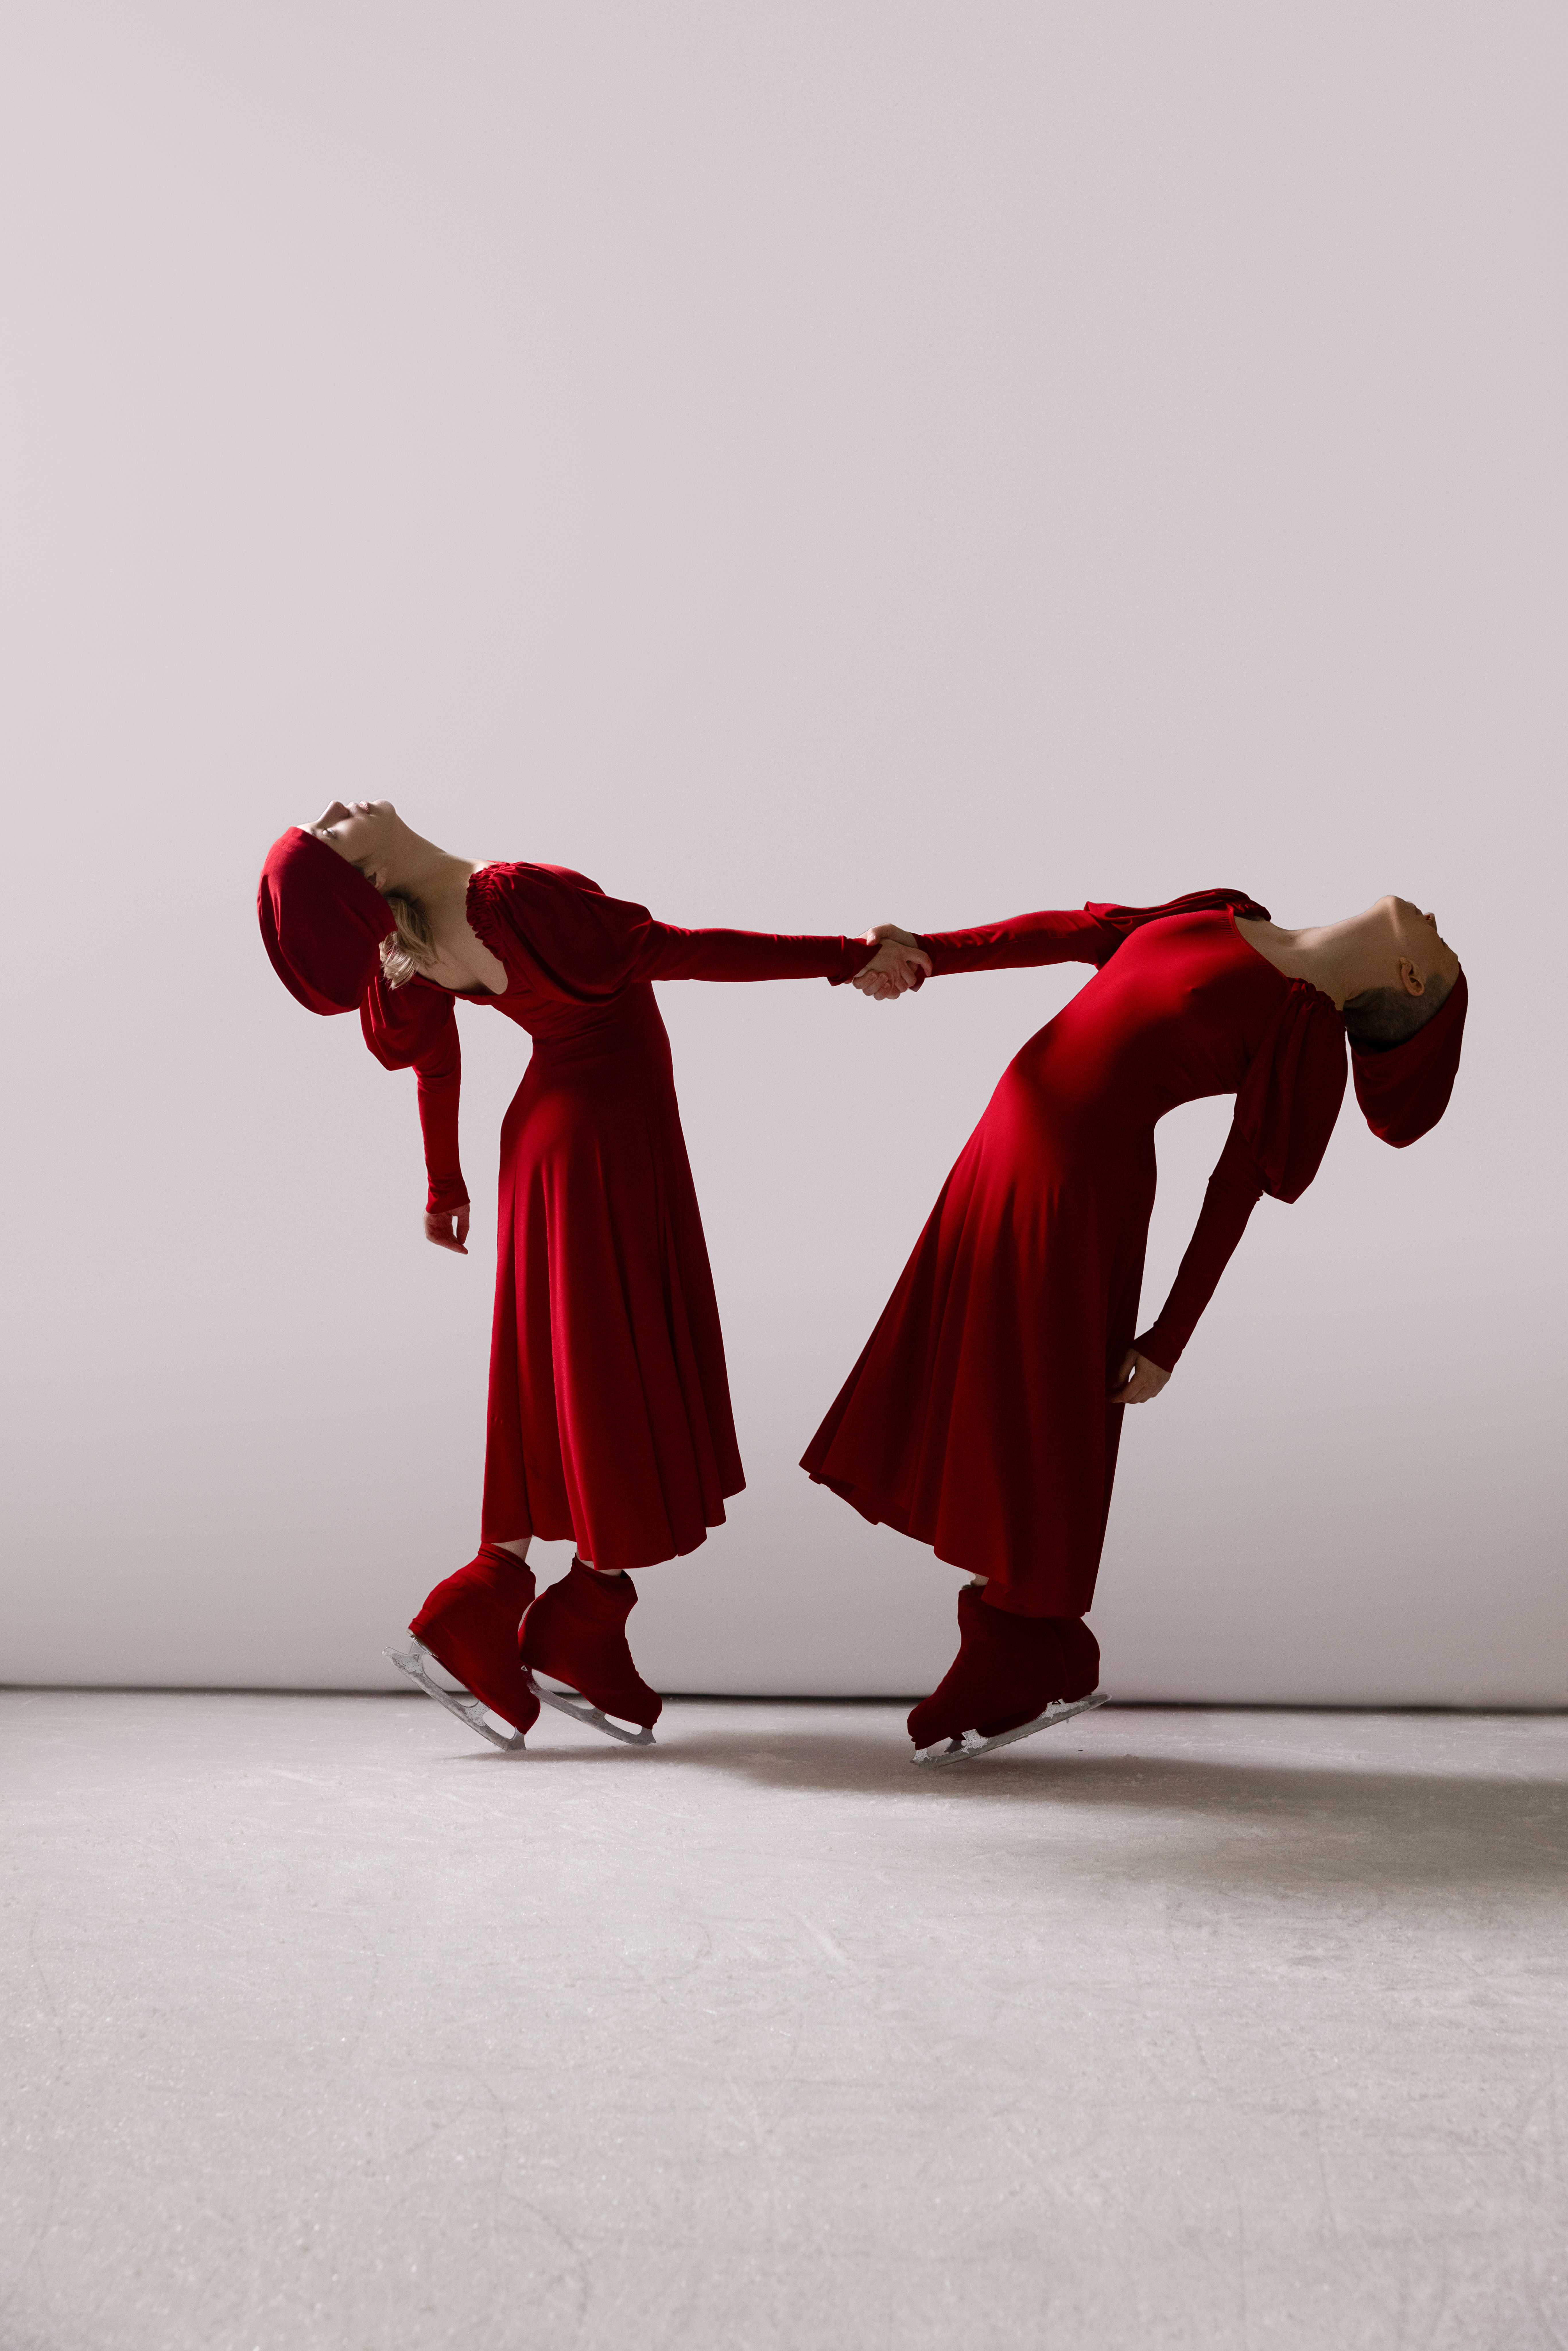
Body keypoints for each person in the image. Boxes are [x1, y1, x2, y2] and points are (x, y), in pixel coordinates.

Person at [258, 802, 930, 1751]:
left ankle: (549, 1611)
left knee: (563, 1369)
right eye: (328, 840)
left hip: (550, 1141)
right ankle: (535, 1612)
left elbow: (434, 1060)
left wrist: (445, 1181)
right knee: (612, 1368)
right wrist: (846, 953)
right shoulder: (506, 897)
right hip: (604, 1138)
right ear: (355, 882)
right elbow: (677, 950)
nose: (334, 811)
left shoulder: (425, 939)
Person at [809, 890, 1468, 1766]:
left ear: (1409, 973)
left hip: (1078, 1192)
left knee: (1027, 1413)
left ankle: (1011, 1647)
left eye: (1439, 937)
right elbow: (1070, 936)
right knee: (981, 1388)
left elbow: (1238, 1187)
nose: (1434, 911)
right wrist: (928, 950)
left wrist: (1168, 1338)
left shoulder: (1300, 1026)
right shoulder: (1230, 907)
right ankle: (1049, 1649)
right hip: (1002, 1153)